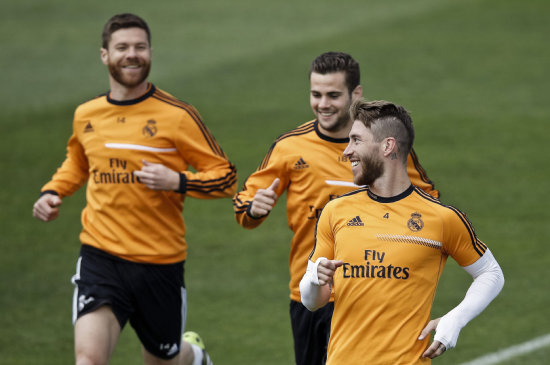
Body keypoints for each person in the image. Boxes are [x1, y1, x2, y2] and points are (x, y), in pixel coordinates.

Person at [32, 13, 237, 365]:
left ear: (151, 53)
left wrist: (178, 181)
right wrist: (53, 192)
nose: (132, 54)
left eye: (140, 47)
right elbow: (78, 162)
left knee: (163, 361)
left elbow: (226, 177)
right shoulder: (87, 114)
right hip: (101, 256)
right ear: (104, 55)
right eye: (122, 47)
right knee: (88, 361)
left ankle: (194, 357)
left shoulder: (178, 115)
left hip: (159, 263)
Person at [233, 52, 439, 365]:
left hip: (371, 291)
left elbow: (430, 205)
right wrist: (254, 209)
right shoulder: (290, 147)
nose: (323, 104)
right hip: (310, 294)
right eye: (316, 95)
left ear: (356, 94)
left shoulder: (385, 146)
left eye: (333, 95)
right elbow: (244, 207)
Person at [299, 99, 505, 364]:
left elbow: (491, 273)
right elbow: (311, 301)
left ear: (387, 146)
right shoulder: (335, 212)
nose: (347, 151)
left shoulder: (441, 218)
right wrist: (316, 278)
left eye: (356, 140)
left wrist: (456, 318)